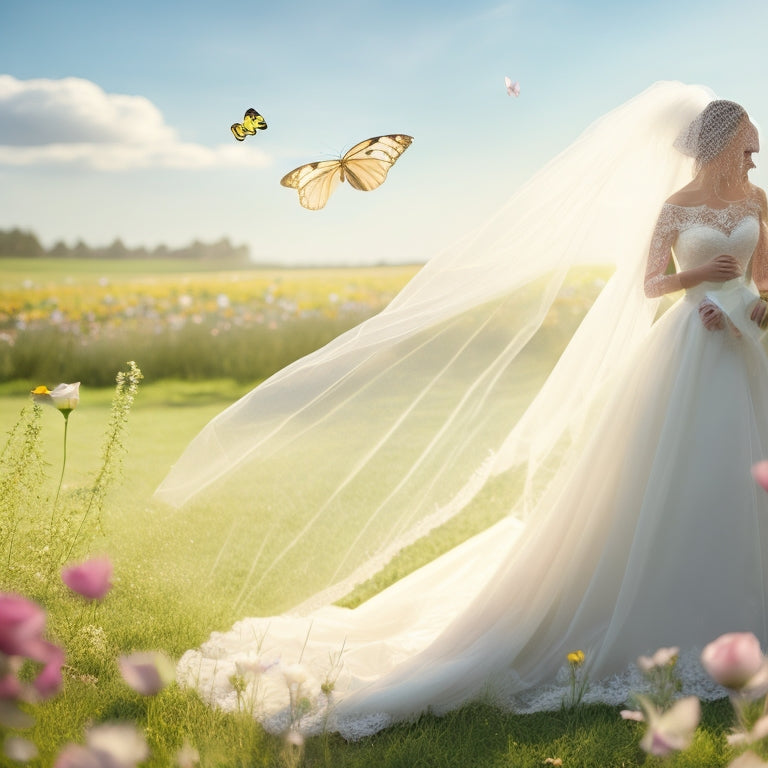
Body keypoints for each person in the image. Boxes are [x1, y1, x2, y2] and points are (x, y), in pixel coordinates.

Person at [156, 83, 768, 739]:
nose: (756, 162)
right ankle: (669, 615)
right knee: (681, 482)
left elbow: (763, 276)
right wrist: (696, 282)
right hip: (691, 346)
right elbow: (649, 283)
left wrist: (760, 302)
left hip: (751, 344)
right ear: (722, 145)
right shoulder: (674, 208)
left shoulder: (757, 201)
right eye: (749, 149)